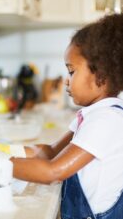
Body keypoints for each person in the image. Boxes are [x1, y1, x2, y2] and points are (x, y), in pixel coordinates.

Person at [10, 13, 123, 219]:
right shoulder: (93, 114)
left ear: (101, 75)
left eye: (72, 72)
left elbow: (53, 171)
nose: (66, 81)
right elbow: (50, 151)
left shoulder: (106, 120)